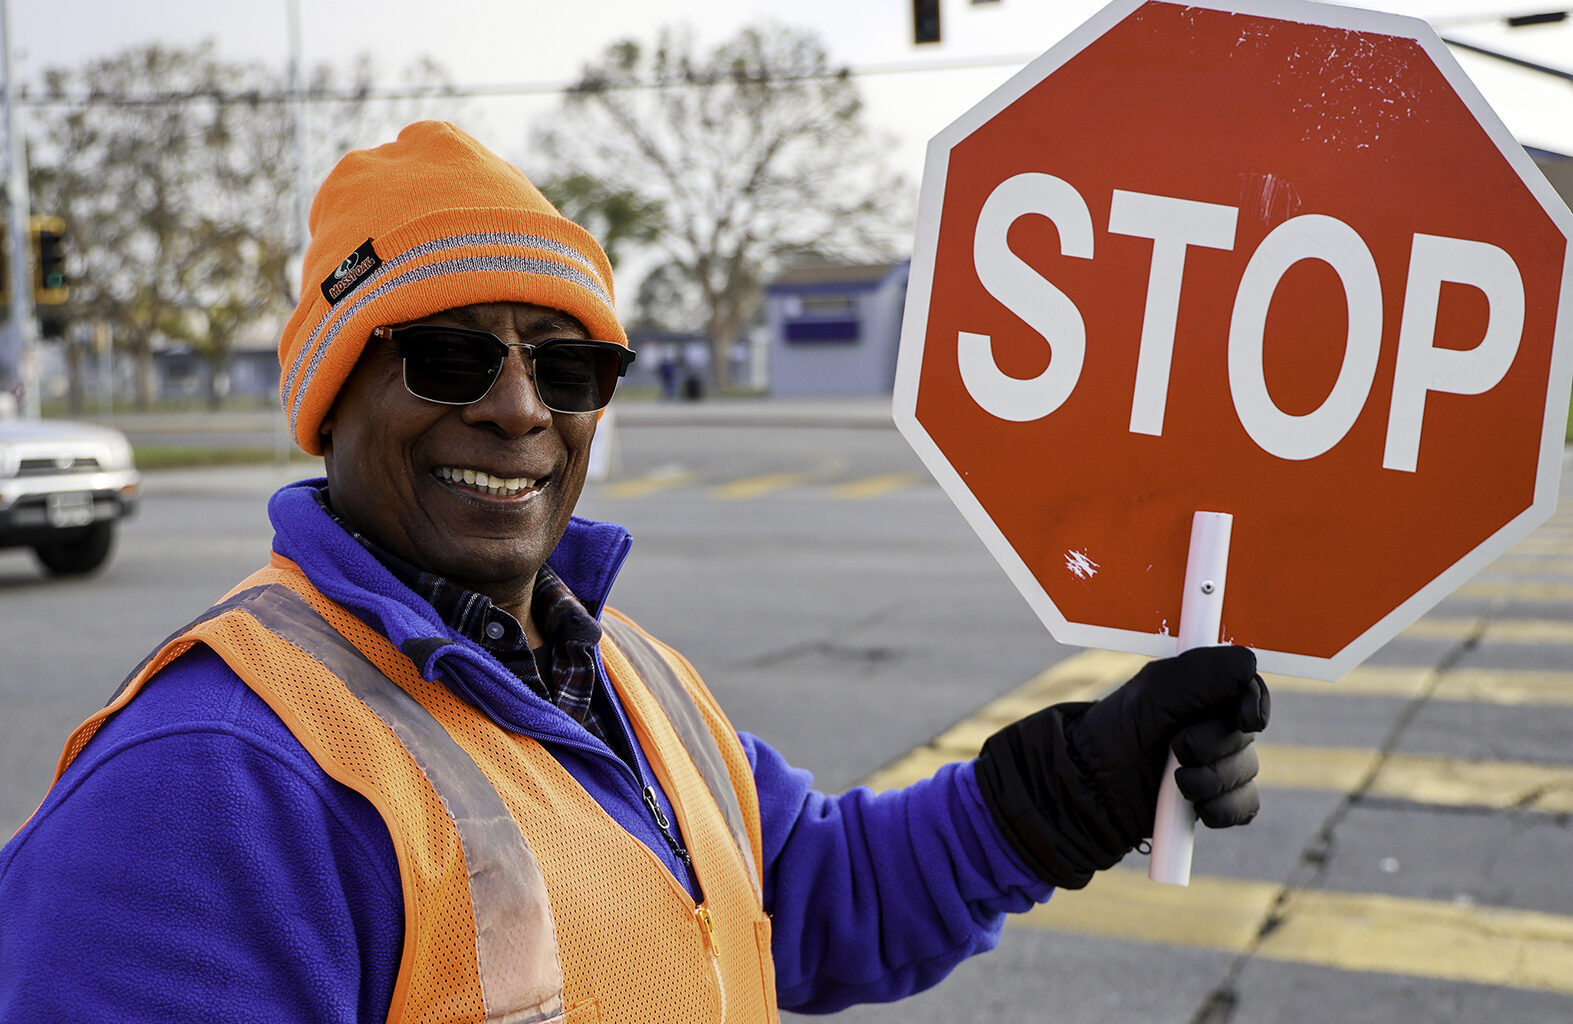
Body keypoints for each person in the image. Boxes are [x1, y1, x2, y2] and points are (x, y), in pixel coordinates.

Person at [0, 122, 1268, 1023]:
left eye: (567, 367)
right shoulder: (209, 781)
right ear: (331, 404)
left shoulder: (627, 674)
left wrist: (1072, 788)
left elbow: (813, 896)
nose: (517, 408)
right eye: (448, 357)